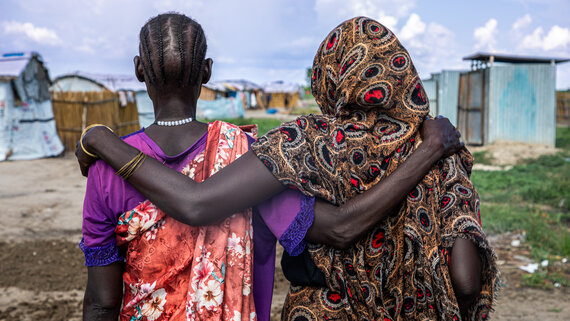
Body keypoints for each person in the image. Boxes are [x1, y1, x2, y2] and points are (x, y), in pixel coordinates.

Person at [77, 15, 493, 321]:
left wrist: (99, 138)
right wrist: (429, 151)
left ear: (137, 71)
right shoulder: (247, 154)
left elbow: (101, 301)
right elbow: (340, 228)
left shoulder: (106, 171)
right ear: (207, 72)